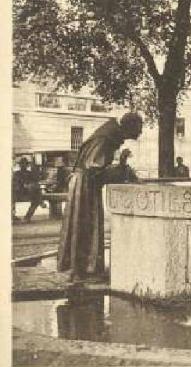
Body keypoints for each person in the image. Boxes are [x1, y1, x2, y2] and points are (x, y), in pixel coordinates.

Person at [58, 112, 143, 282]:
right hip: (84, 185)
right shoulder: (106, 138)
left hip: (85, 184)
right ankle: (81, 272)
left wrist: (121, 165)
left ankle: (82, 269)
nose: (140, 133)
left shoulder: (109, 135)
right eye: (138, 128)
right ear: (130, 127)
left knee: (83, 225)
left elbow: (96, 166)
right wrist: (122, 169)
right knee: (85, 225)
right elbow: (94, 170)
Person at [12, 157, 47, 223]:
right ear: (20, 165)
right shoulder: (17, 173)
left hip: (29, 192)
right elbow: (15, 184)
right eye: (22, 164)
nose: (23, 165)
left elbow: (35, 181)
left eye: (25, 164)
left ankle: (27, 217)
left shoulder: (29, 173)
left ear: (27, 165)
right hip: (19, 192)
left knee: (36, 196)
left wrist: (29, 185)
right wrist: (23, 185)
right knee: (36, 194)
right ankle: (41, 202)